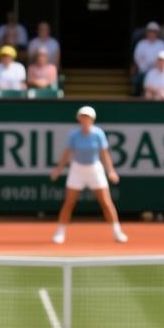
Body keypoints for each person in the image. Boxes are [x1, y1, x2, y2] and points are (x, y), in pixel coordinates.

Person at [49, 105, 126, 245]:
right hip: (77, 169)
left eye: (88, 117)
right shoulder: (74, 135)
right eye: (83, 117)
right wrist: (58, 170)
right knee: (69, 203)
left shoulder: (98, 134)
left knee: (106, 202)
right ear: (79, 119)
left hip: (94, 169)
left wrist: (111, 171)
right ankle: (60, 232)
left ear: (92, 119)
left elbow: (104, 154)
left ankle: (117, 232)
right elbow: (67, 153)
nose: (85, 119)